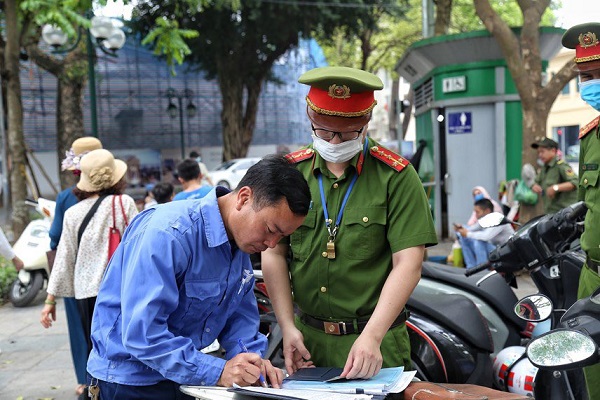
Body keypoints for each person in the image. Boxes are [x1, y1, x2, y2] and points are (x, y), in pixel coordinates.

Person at [261, 66, 438, 380]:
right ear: (309, 118)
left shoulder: (396, 177)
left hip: (375, 344)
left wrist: (372, 335)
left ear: (366, 122)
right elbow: (273, 252)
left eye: (345, 133)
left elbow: (408, 263)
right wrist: (287, 327)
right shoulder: (290, 174)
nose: (333, 141)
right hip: (307, 343)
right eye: (323, 131)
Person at [85, 155, 311, 399]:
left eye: (281, 238)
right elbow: (143, 334)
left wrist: (251, 363)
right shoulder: (168, 234)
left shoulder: (242, 243)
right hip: (130, 382)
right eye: (270, 230)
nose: (271, 244)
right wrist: (219, 371)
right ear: (244, 198)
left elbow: (240, 321)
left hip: (184, 376)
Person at [40, 149, 138, 360]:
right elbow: (141, 243)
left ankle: (94, 390)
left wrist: (50, 300)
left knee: (95, 351)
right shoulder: (124, 203)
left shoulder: (72, 213)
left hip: (86, 294)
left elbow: (64, 258)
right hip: (120, 289)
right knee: (126, 349)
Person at [48, 136, 102, 397]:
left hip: (77, 279)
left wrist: (49, 297)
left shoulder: (65, 199)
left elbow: (55, 238)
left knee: (79, 331)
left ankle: (84, 380)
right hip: (111, 279)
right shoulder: (119, 200)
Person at [563, 22, 600, 400]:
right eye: (584, 76)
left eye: (597, 75)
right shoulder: (590, 137)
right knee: (594, 380)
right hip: (592, 276)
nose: (590, 84)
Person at [454, 198, 514, 269]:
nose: (476, 215)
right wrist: (460, 229)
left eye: (477, 212)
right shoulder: (483, 220)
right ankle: (470, 267)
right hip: (495, 249)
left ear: (487, 211)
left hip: (506, 253)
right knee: (464, 236)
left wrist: (467, 233)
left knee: (479, 241)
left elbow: (486, 236)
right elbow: (471, 229)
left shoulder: (499, 219)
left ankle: (481, 271)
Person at [530, 137, 578, 214]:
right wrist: (534, 186)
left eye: (542, 152)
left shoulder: (561, 165)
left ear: (553, 151)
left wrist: (556, 188)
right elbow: (536, 181)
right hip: (551, 213)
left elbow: (575, 182)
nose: (540, 155)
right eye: (538, 152)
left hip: (565, 214)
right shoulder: (545, 168)